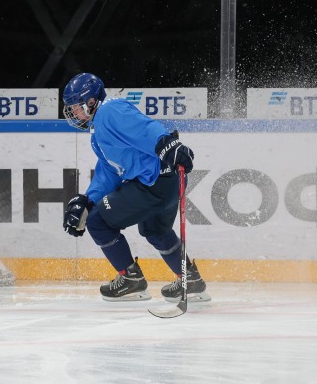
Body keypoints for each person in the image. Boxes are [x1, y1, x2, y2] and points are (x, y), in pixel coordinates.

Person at [61, 72, 211, 302]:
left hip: (153, 184)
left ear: (91, 102)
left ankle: (131, 280)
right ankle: (190, 280)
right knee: (155, 231)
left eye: (76, 107)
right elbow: (110, 172)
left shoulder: (109, 111)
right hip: (167, 182)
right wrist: (88, 199)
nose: (74, 113)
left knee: (97, 221)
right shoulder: (98, 133)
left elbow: (143, 127)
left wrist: (166, 143)